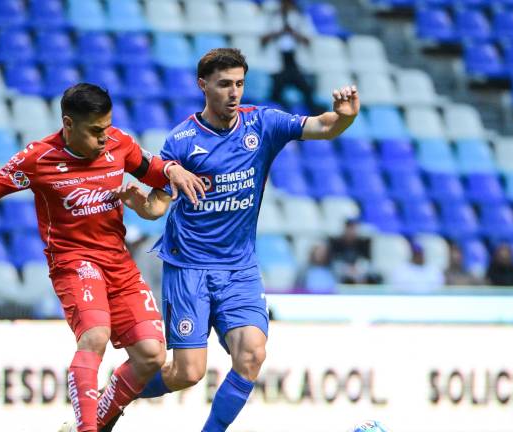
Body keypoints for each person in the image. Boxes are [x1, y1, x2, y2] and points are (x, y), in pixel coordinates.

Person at [0, 83, 206, 432]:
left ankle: (92, 422)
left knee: (151, 355)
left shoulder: (119, 144)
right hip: (74, 263)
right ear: (68, 124)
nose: (104, 138)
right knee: (95, 335)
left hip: (118, 262)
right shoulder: (38, 159)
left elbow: (158, 176)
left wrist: (172, 173)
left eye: (107, 127)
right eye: (96, 130)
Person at [109, 48, 359, 432]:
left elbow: (324, 126)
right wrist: (140, 203)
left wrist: (346, 117)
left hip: (240, 269)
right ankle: (114, 395)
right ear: (203, 85)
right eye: (225, 84)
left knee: (252, 356)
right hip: (189, 267)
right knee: (186, 373)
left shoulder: (262, 124)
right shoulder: (182, 141)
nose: (234, 93)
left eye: (239, 83)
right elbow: (158, 208)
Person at [261, 0, 318, 112]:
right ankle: (276, 115)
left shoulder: (300, 17)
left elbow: (309, 41)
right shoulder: (271, 17)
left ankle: (312, 113)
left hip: (294, 61)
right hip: (278, 61)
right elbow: (262, 39)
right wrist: (279, 32)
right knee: (276, 92)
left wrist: (294, 33)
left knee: (306, 90)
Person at [328, 218, 373, 284]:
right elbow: (334, 263)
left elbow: (367, 261)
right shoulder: (336, 242)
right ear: (345, 228)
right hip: (342, 274)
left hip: (360, 272)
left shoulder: (364, 243)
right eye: (350, 228)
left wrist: (358, 269)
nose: (352, 231)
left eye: (354, 228)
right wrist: (347, 270)